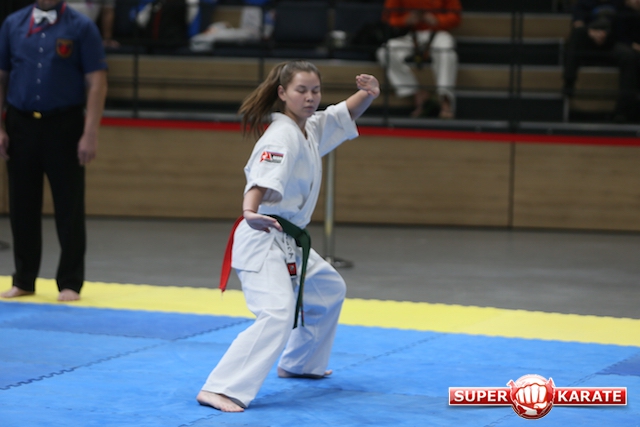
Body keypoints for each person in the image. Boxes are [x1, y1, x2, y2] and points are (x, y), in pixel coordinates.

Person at [196, 60, 379, 412]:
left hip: (288, 240)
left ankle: (300, 363)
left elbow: (342, 115)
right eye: (301, 90)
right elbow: (261, 179)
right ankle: (220, 388)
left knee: (328, 290)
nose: (310, 98)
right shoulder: (281, 136)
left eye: (316, 91)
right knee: (277, 313)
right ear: (282, 93)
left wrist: (368, 94)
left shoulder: (308, 127)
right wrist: (250, 211)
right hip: (262, 235)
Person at [0, 0, 108, 301]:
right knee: (21, 205)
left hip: (64, 124)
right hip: (21, 123)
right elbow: (1, 77)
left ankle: (70, 281)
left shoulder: (81, 26)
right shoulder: (13, 24)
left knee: (68, 205)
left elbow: (97, 82)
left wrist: (90, 132)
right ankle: (24, 279)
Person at [376, 0, 461, 119]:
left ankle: (445, 100)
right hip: (409, 34)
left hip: (438, 32)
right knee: (385, 52)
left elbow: (455, 17)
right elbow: (388, 17)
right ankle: (418, 95)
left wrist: (437, 20)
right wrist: (405, 20)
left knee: (446, 51)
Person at [562, 0, 638, 122]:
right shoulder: (585, 4)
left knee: (629, 56)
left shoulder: (620, 5)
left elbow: (625, 32)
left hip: (612, 43)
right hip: (589, 42)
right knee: (577, 34)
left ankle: (622, 112)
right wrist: (591, 32)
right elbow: (578, 24)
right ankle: (568, 84)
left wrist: (607, 34)